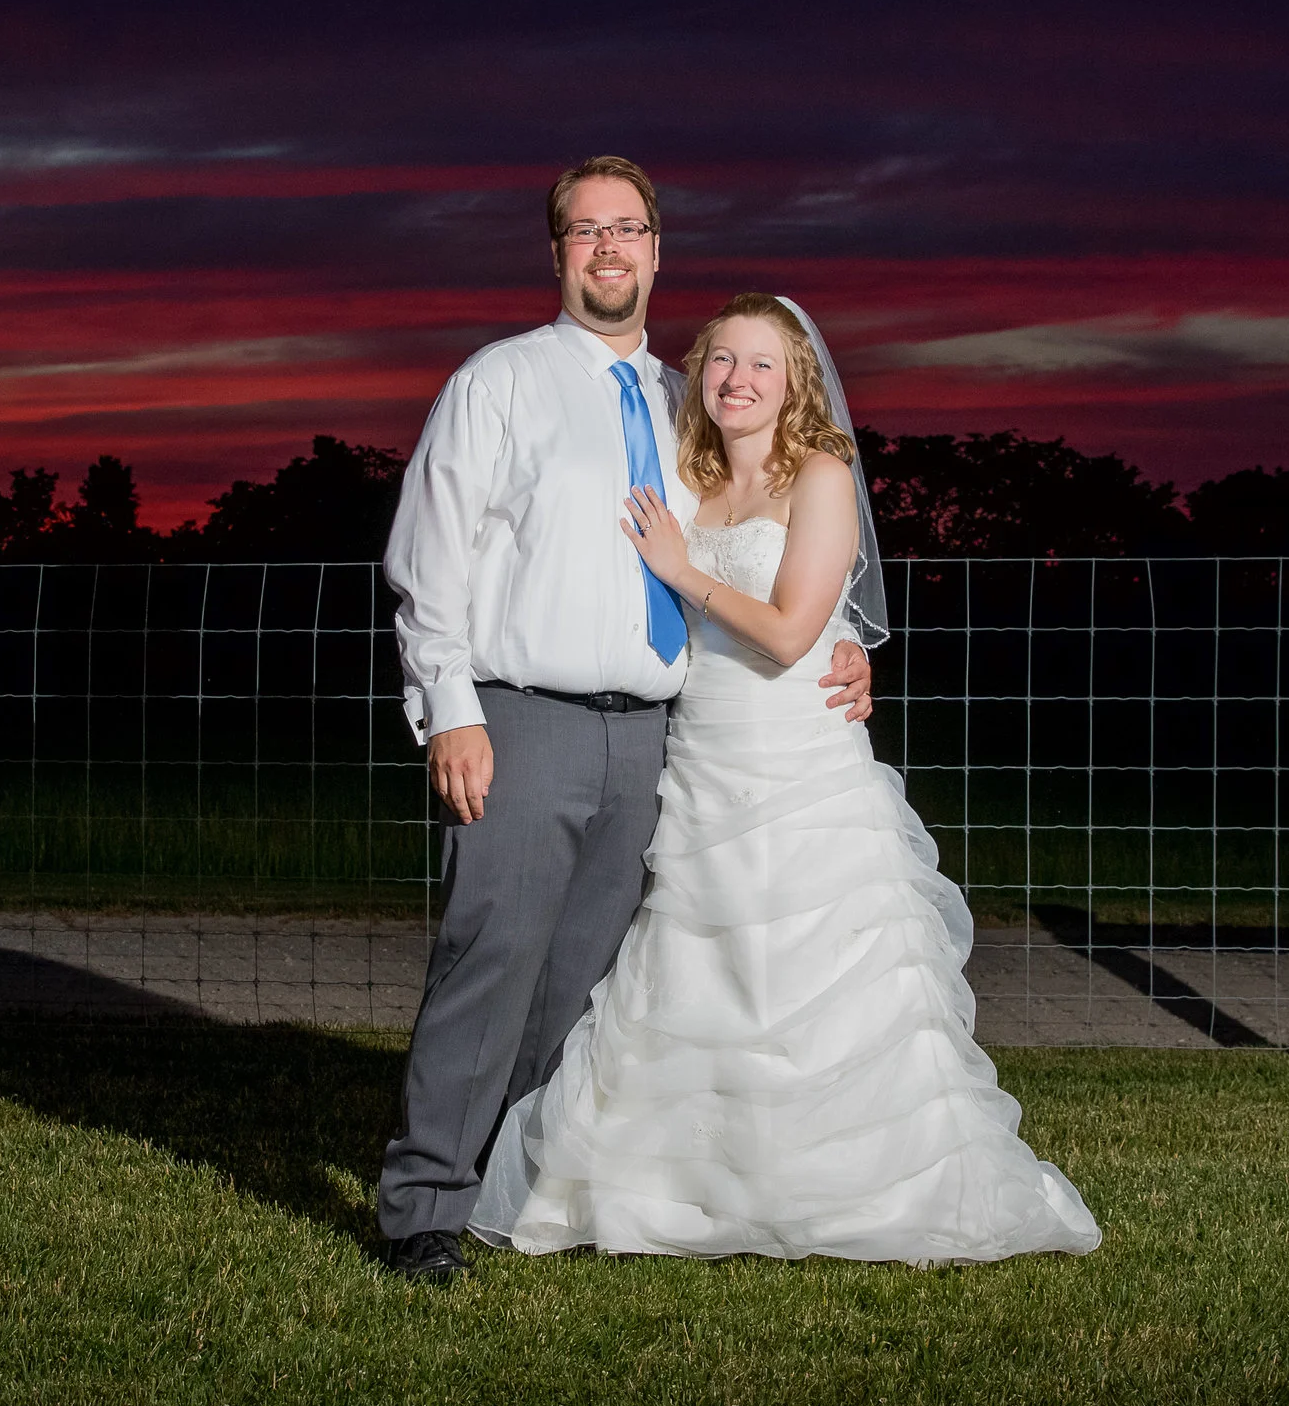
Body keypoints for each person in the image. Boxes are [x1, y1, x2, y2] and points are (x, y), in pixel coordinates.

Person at [470, 293, 1101, 1263]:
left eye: (762, 363)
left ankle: (850, 1185)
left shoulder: (823, 472)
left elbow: (791, 629)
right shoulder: (687, 474)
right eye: (721, 359)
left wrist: (697, 577)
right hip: (705, 746)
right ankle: (679, 1185)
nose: (737, 379)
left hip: (797, 749)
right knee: (691, 957)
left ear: (796, 378)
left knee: (822, 962)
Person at [376, 160, 876, 1285]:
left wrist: (835, 644)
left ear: (658, 252)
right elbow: (429, 561)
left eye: (628, 229)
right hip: (522, 718)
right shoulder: (496, 382)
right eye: (585, 230)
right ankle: (422, 1208)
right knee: (489, 960)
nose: (608, 248)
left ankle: (527, 1187)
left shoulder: (688, 400)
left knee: (591, 982)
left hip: (662, 731)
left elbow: (768, 536)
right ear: (556, 253)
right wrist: (449, 709)